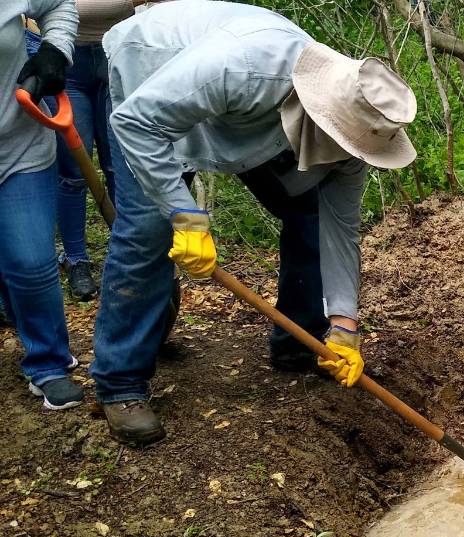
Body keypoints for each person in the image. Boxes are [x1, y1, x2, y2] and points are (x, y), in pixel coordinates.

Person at [92, 0, 417, 446]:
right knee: (149, 228)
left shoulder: (359, 130)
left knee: (311, 213)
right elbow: (136, 122)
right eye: (342, 144)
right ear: (321, 118)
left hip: (246, 114)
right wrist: (184, 214)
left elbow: (341, 230)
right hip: (153, 71)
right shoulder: (244, 67)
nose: (348, 157)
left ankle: (301, 342)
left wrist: (345, 324)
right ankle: (121, 383)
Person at [2, 0, 85, 410]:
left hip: (19, 147)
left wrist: (55, 48)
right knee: (9, 264)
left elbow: (59, 5)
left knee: (31, 262)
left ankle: (48, 364)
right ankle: (24, 320)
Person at [53, 0, 144, 300]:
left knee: (118, 164)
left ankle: (124, 257)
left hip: (117, 52)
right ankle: (76, 260)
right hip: (66, 59)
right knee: (73, 168)